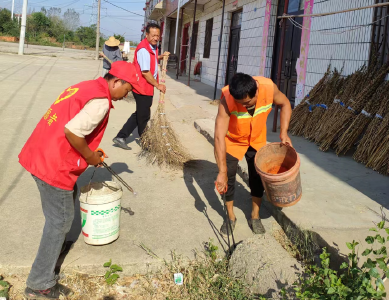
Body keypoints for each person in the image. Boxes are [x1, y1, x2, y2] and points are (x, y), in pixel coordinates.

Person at [19, 61, 143, 299]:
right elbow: (73, 132)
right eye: (127, 90)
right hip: (52, 163)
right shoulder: (101, 102)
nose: (126, 95)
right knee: (60, 222)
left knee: (68, 201)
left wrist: (92, 153)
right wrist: (89, 156)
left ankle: (52, 255)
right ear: (116, 81)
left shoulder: (87, 86)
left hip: (40, 152)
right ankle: (39, 283)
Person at [214, 73, 292, 237]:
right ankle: (230, 217)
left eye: (248, 102)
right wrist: (221, 172)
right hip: (233, 140)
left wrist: (284, 133)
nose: (245, 105)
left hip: (256, 138)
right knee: (228, 177)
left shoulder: (268, 88)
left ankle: (255, 216)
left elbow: (285, 103)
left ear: (256, 91)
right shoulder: (227, 99)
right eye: (241, 103)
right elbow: (219, 136)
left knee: (257, 178)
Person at [112, 23, 170, 150]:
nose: (156, 38)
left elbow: (152, 59)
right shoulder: (144, 49)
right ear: (147, 35)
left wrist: (161, 56)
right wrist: (157, 85)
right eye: (153, 35)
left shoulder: (152, 47)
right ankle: (145, 142)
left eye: (158, 36)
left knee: (140, 113)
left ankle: (121, 136)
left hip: (146, 86)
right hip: (142, 86)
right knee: (143, 116)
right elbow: (145, 72)